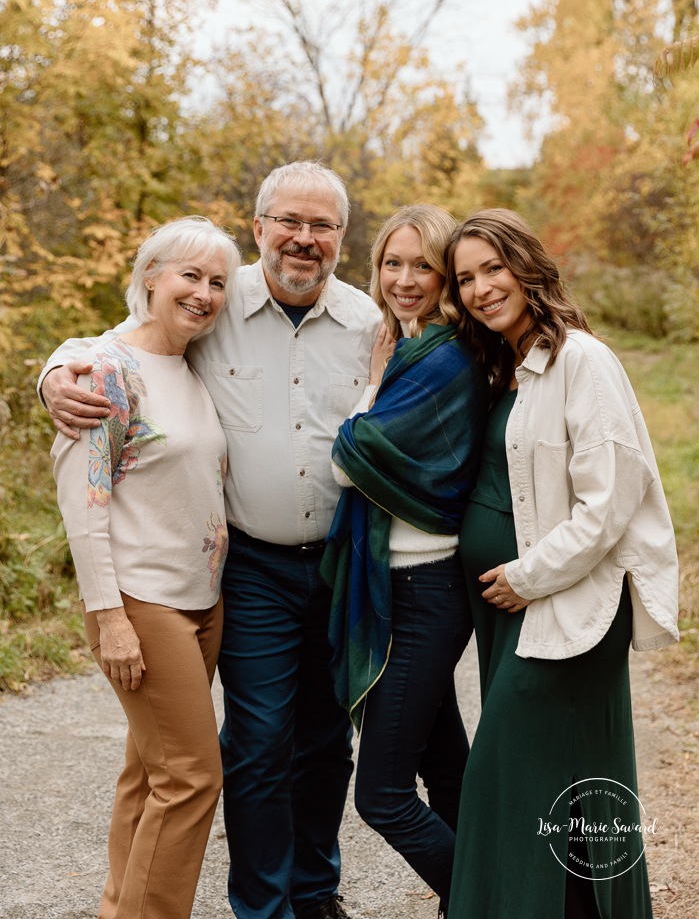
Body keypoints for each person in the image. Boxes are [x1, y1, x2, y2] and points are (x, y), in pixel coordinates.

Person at [39, 162, 382, 919]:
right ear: (257, 228)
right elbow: (119, 346)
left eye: (321, 226)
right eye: (287, 221)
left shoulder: (366, 322)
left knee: (325, 743)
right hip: (249, 568)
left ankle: (314, 893)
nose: (303, 239)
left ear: (341, 240)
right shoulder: (217, 303)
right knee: (248, 747)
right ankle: (262, 908)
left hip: (331, 562)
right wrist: (55, 373)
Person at [441, 208, 679, 919]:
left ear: (526, 264)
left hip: (568, 606)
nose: (481, 288)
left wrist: (524, 576)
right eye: (465, 278)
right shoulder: (507, 363)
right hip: (514, 610)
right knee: (563, 791)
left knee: (500, 778)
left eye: (493, 267)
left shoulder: (581, 358)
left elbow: (609, 502)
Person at [51, 217, 241, 919]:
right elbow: (84, 504)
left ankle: (116, 907)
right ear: (151, 276)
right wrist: (110, 619)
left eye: (217, 281)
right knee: (192, 777)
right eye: (189, 275)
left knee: (150, 770)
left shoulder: (194, 367)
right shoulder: (105, 368)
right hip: (141, 601)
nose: (203, 292)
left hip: (201, 599)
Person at [320, 206, 488, 917]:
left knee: (383, 796)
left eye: (423, 264)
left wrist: (374, 378)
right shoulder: (417, 345)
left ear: (446, 272)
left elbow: (350, 460)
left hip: (424, 589)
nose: (404, 279)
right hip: (402, 583)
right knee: (444, 763)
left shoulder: (442, 354)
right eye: (392, 263)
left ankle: (493, 897)